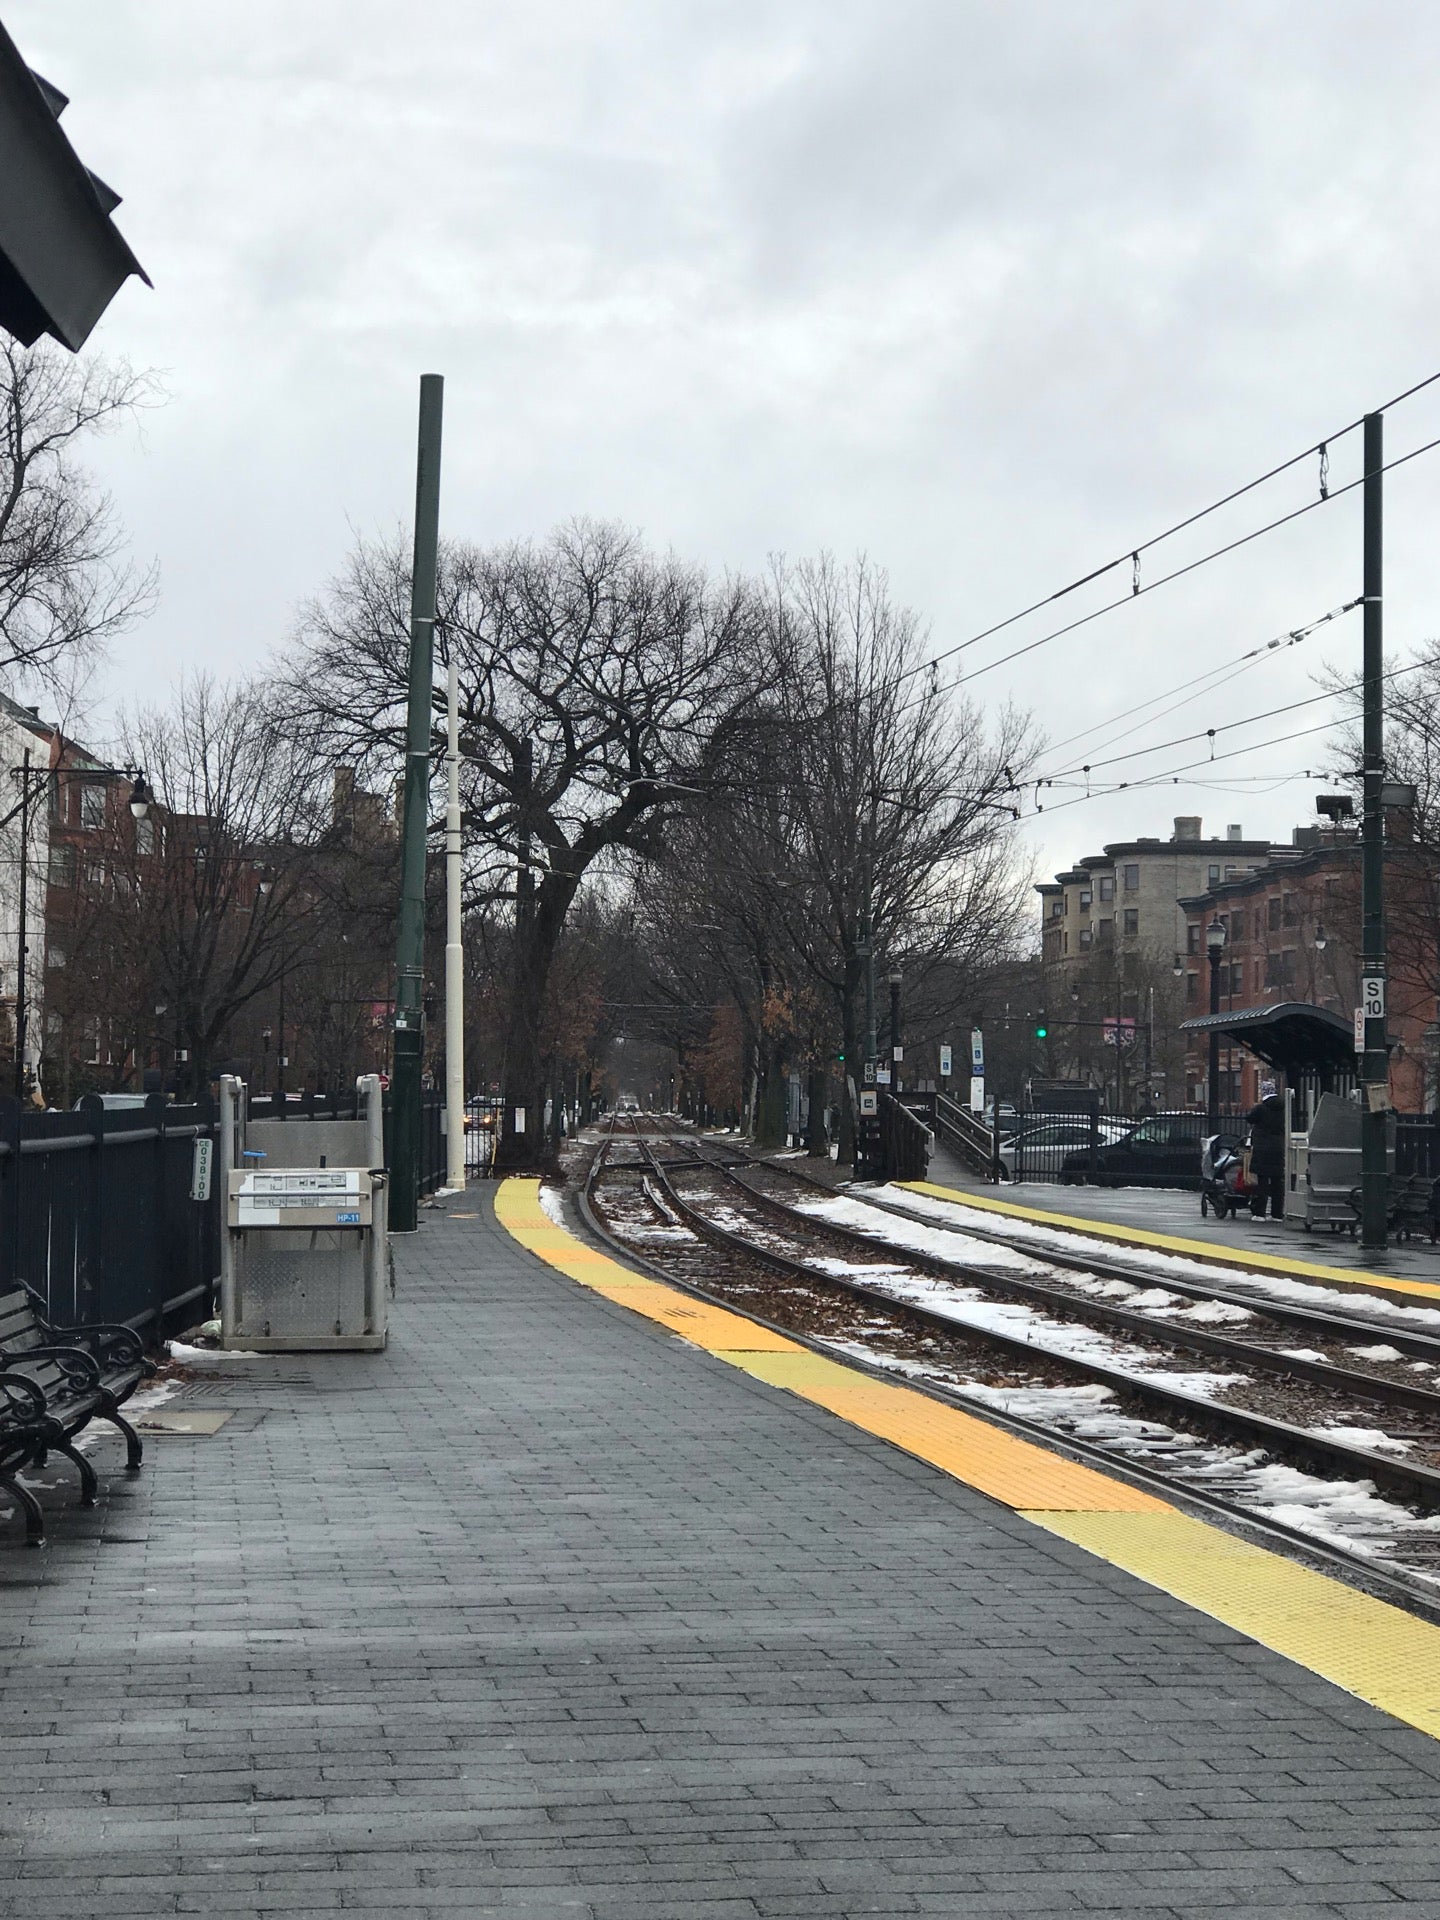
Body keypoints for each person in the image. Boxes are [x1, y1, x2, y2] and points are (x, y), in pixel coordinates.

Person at [1246, 1081, 1286, 1219]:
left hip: (1262, 1148)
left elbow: (1250, 1118)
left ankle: (1259, 1212)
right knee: (1277, 1182)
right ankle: (1277, 1213)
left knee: (1262, 1182)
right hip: (1278, 1147)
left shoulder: (1260, 1109)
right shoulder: (1283, 1107)